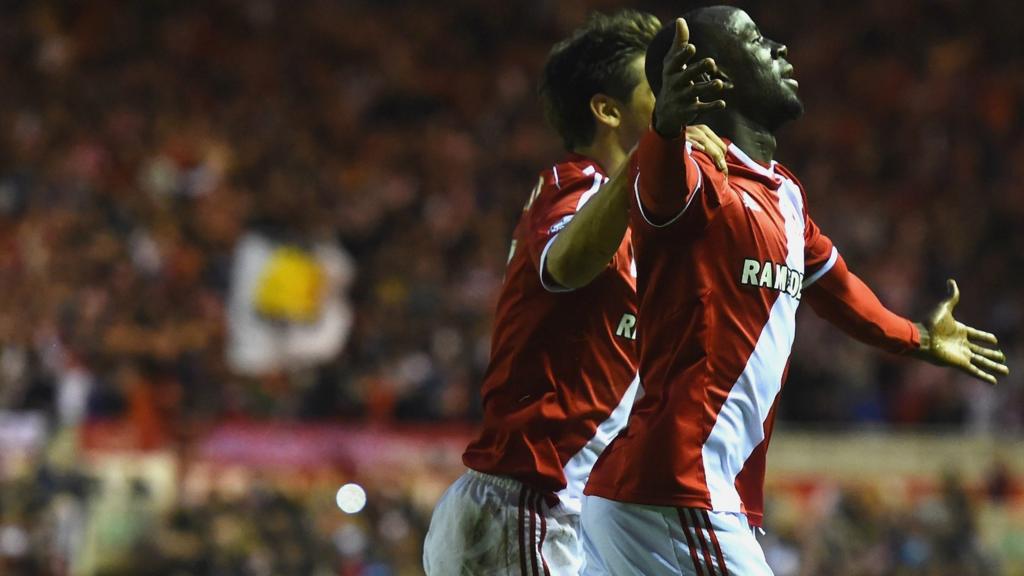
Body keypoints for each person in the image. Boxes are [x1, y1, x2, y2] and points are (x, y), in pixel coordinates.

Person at [581, 8, 1009, 575]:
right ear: (715, 76)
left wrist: (921, 339)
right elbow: (656, 194)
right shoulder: (700, 174)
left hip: (667, 494)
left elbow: (840, 291)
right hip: (676, 489)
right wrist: (665, 128)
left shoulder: (784, 194)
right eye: (756, 39)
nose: (780, 47)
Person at [422, 10, 728, 575]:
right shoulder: (576, 186)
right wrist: (652, 151)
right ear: (608, 110)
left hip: (572, 517)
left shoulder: (640, 220)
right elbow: (564, 265)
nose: (670, 101)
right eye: (653, 89)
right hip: (527, 511)